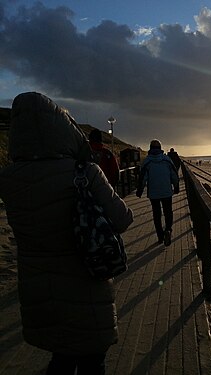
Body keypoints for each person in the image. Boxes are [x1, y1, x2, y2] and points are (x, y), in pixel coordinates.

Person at [0, 92, 133, 375]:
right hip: (85, 282)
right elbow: (123, 219)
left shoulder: (9, 179)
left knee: (60, 357)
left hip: (38, 287)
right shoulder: (84, 172)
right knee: (92, 360)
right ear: (62, 128)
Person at [136, 139, 179, 245]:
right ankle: (168, 230)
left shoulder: (147, 161)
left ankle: (160, 237)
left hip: (153, 193)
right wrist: (176, 187)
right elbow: (174, 175)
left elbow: (142, 178)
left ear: (150, 148)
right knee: (168, 211)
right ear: (160, 148)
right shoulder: (166, 160)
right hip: (166, 191)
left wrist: (139, 191)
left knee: (157, 214)